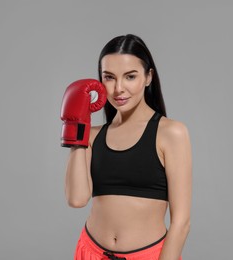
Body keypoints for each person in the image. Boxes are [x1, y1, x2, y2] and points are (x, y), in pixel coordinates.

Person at [60, 34, 192, 260]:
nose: (119, 88)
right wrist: (77, 127)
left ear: (148, 77)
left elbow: (181, 222)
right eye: (109, 77)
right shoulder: (92, 135)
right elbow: (77, 199)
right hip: (90, 252)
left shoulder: (171, 133)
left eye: (130, 76)